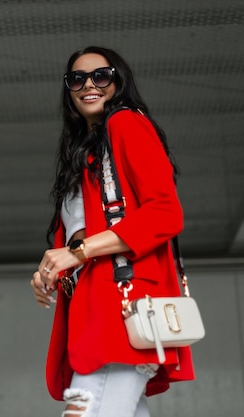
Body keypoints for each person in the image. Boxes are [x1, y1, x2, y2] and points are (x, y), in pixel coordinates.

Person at [30, 46, 195, 417]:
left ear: (118, 82)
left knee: (83, 412)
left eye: (100, 75)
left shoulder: (125, 123)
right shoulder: (84, 152)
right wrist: (54, 269)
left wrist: (76, 253)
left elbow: (165, 213)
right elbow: (81, 234)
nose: (88, 84)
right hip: (96, 315)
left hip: (119, 315)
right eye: (77, 79)